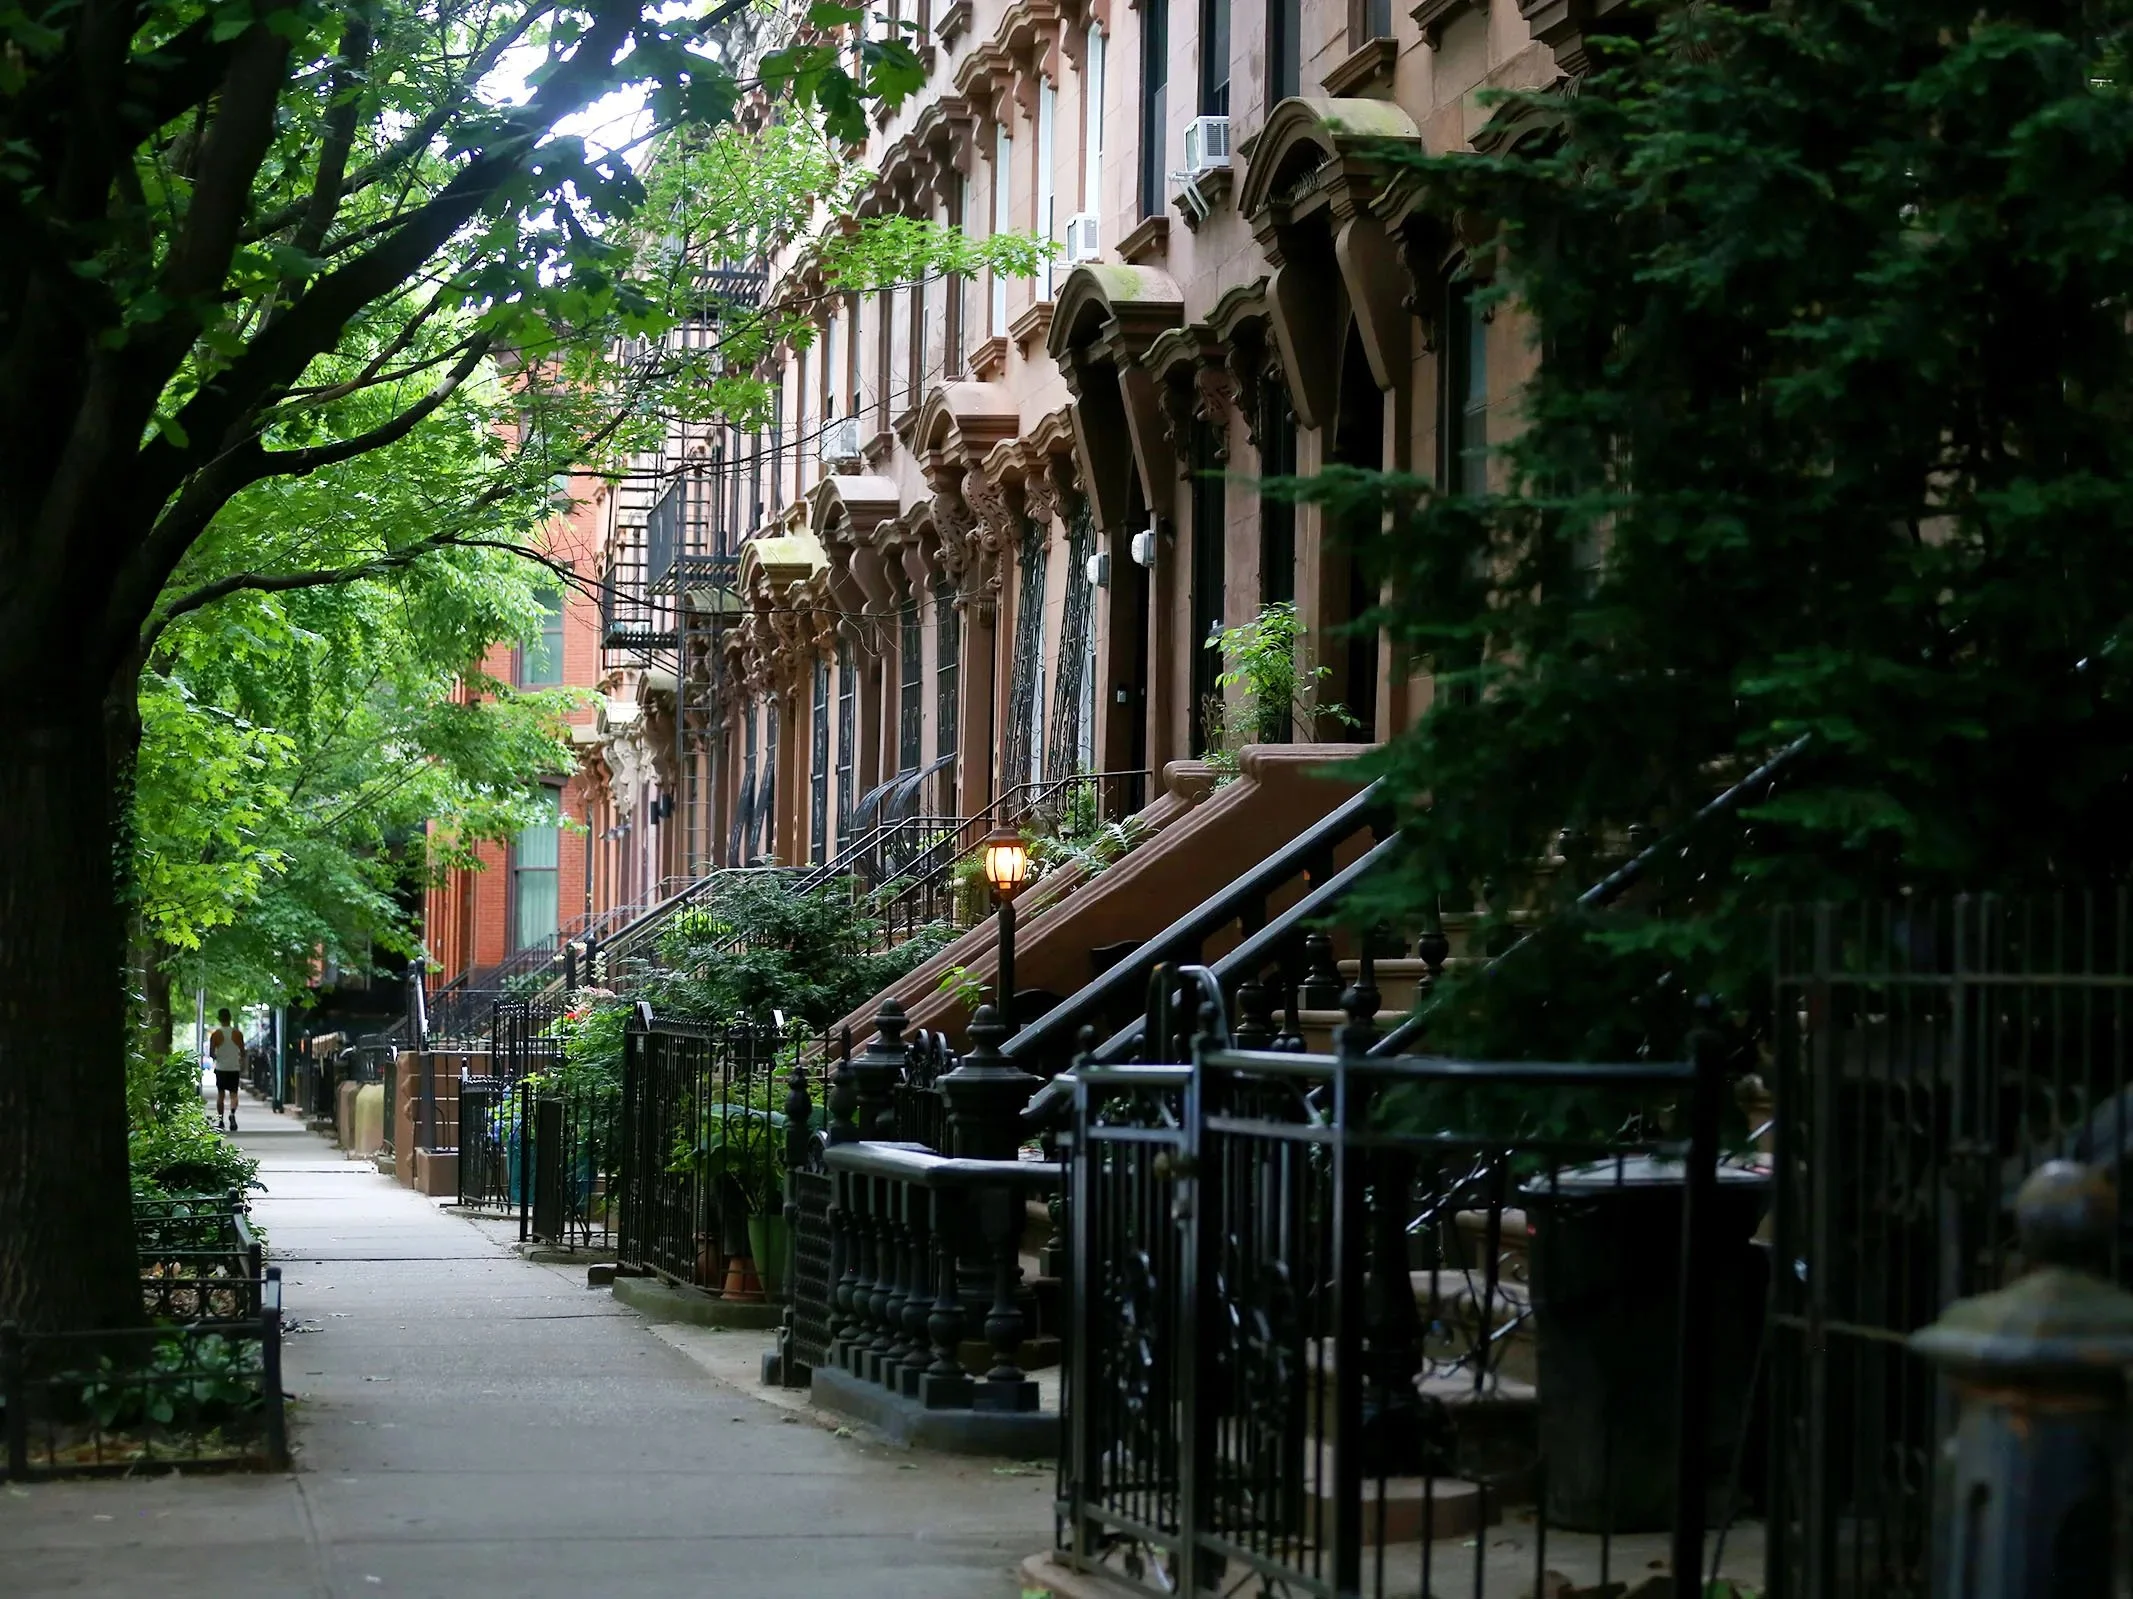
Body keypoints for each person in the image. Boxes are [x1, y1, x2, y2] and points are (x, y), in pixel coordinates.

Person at [209, 1008, 245, 1132]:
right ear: (230, 1018)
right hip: (234, 1068)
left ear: (219, 1019)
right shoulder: (237, 1034)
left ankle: (221, 1120)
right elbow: (243, 1052)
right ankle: (232, 1114)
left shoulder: (216, 1035)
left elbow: (211, 1054)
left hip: (221, 1068)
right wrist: (238, 1060)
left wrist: (220, 1057)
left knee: (221, 1095)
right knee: (234, 1095)